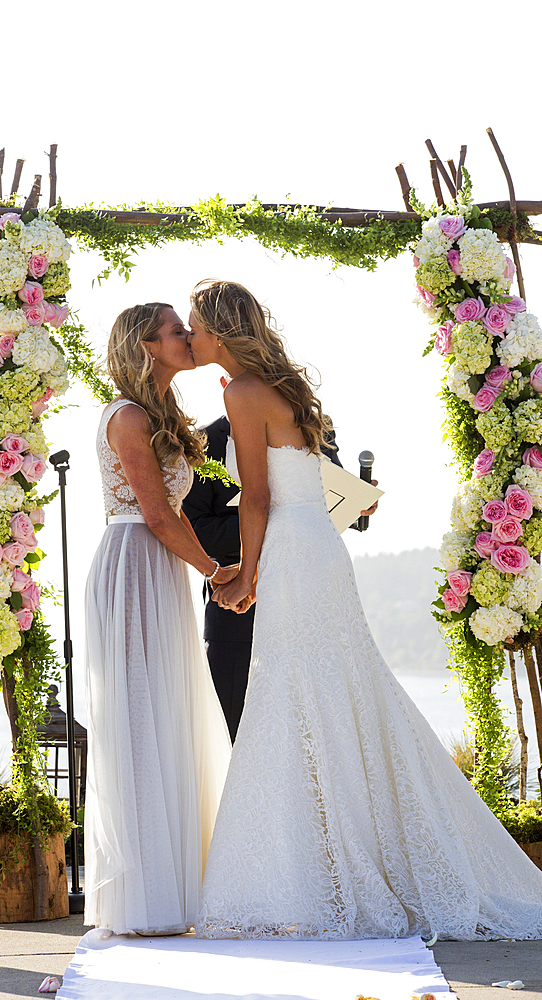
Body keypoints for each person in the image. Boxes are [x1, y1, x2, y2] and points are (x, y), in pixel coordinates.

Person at [186, 279, 542, 941]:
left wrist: (247, 576)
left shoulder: (239, 394)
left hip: (291, 552)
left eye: (195, 327)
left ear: (219, 331)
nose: (190, 337)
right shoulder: (284, 388)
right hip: (320, 550)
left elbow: (256, 500)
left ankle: (313, 877)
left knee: (294, 698)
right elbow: (307, 488)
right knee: (337, 694)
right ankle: (332, 867)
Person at [83, 302, 233, 936]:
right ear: (145, 344)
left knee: (168, 715)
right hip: (134, 565)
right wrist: (216, 570)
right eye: (176, 329)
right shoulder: (126, 417)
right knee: (139, 719)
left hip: (161, 570)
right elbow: (158, 515)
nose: (187, 336)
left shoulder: (166, 416)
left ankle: (181, 886)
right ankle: (145, 899)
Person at [182, 415, 361, 742]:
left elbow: (334, 506)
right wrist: (261, 523)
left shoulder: (313, 428)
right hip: (236, 616)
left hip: (308, 605)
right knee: (233, 734)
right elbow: (196, 530)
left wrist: (360, 507)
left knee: (314, 737)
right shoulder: (204, 442)